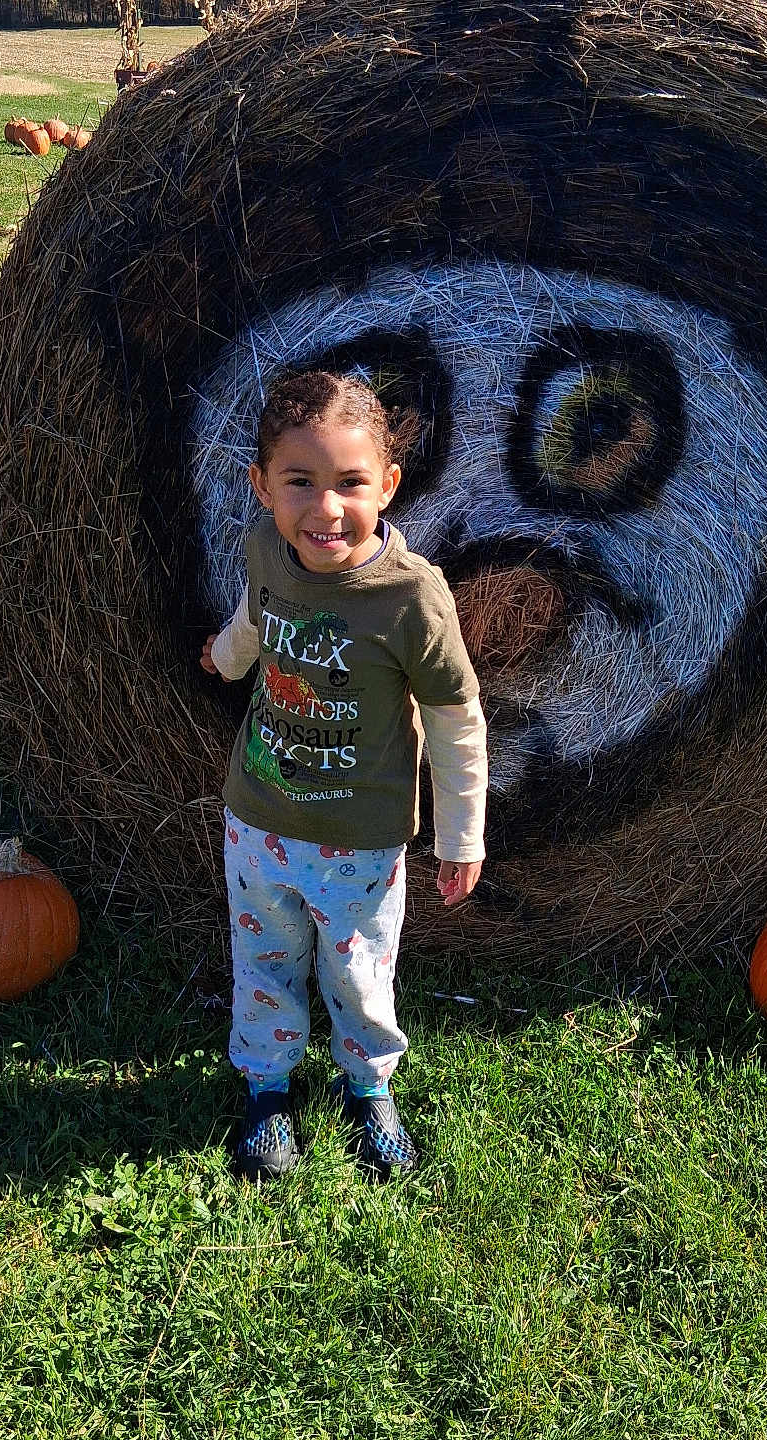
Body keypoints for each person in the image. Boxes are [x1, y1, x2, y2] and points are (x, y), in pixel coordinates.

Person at [200, 369, 487, 1182]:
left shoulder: (411, 598)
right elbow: (255, 618)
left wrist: (461, 834)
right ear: (262, 487)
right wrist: (225, 661)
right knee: (264, 963)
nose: (326, 509)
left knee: (359, 970)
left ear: (388, 485)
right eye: (300, 482)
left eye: (350, 483)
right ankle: (265, 1089)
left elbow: (455, 717)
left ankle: (366, 1087)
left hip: (360, 840)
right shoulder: (268, 548)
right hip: (257, 816)